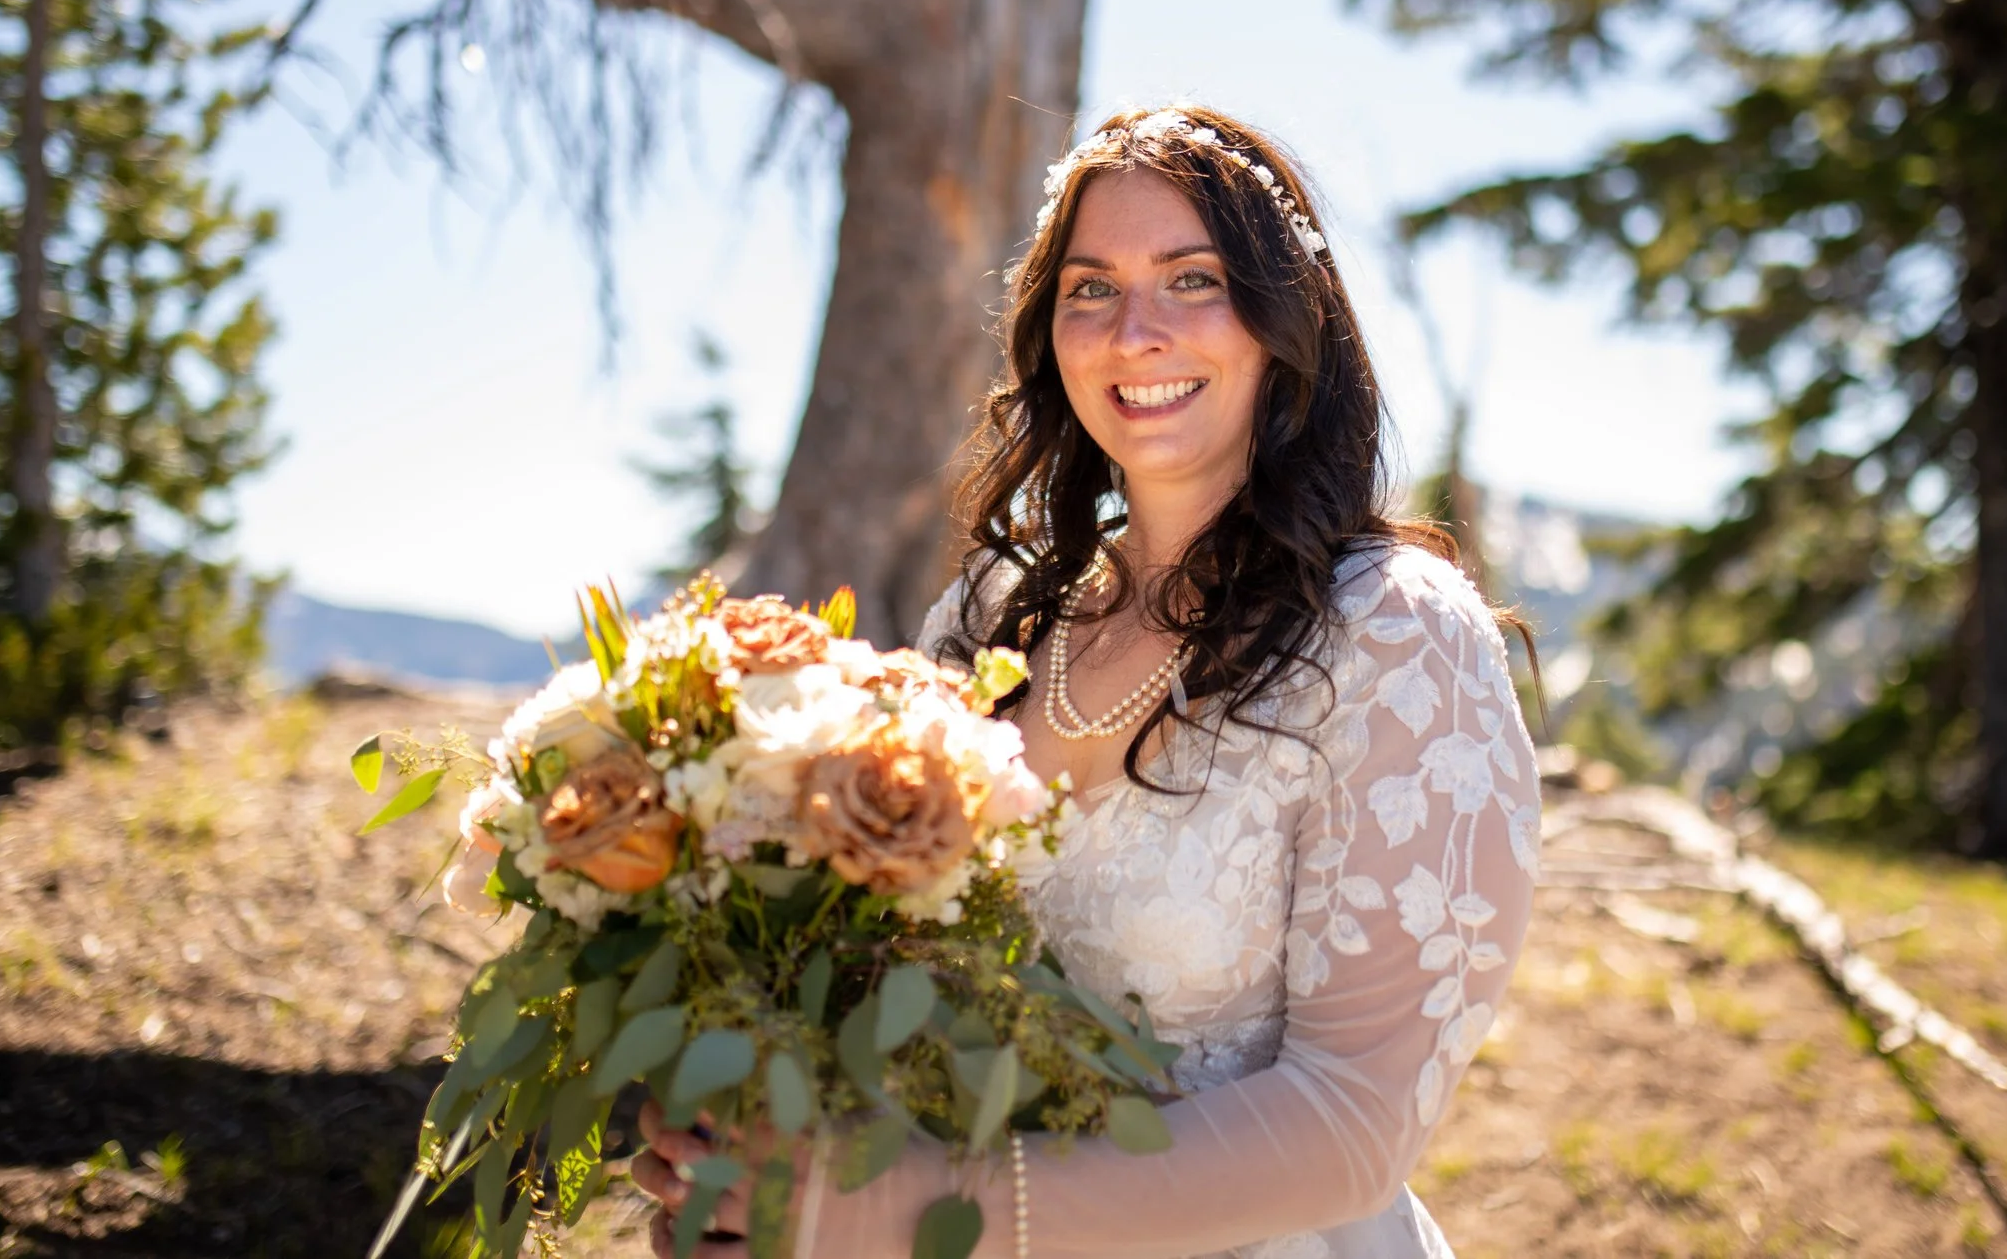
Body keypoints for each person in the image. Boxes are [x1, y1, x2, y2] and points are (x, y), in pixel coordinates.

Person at [632, 105, 1542, 1257]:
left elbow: (1354, 1125)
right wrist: (749, 1147)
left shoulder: (1393, 634)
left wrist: (895, 1210)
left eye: (1192, 279)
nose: (1135, 332)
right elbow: (861, 968)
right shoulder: (987, 621)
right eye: (1091, 288)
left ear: (1282, 317)